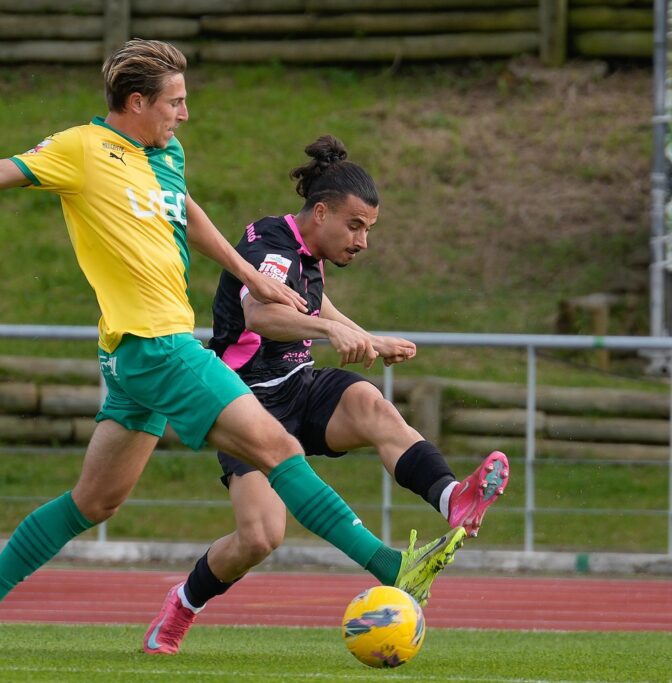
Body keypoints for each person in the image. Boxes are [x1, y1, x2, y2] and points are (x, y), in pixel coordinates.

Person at [0, 40, 465, 655]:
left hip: (134, 359)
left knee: (94, 500)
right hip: (156, 348)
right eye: (175, 102)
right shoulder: (80, 149)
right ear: (136, 102)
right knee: (279, 446)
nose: (184, 114)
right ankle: (392, 565)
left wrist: (248, 275)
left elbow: (187, 214)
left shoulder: (168, 155)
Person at [142, 135, 510, 655]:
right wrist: (331, 335)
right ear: (320, 212)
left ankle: (454, 497)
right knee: (260, 538)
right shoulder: (270, 241)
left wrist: (366, 335)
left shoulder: (309, 255)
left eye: (369, 230)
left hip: (300, 386)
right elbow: (261, 314)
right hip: (245, 402)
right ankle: (182, 605)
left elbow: (318, 305)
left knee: (372, 407)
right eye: (355, 226)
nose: (362, 241)